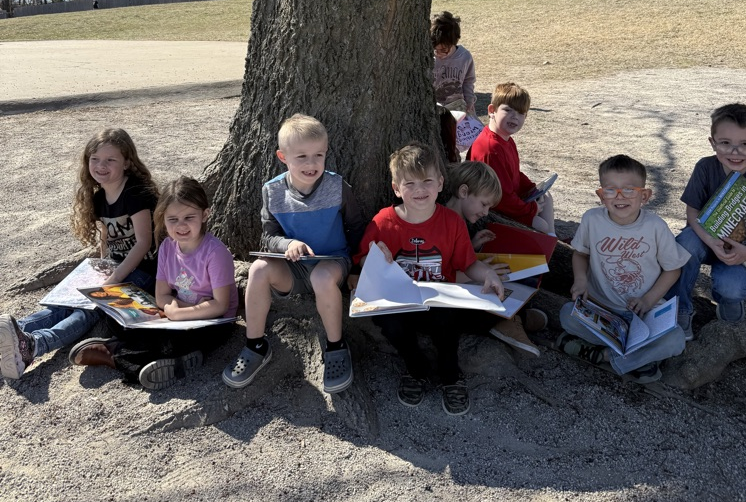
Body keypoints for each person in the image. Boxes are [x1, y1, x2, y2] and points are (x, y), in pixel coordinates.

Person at [354, 142, 505, 416]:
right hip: (398, 301)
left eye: (427, 181)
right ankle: (416, 369)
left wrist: (488, 274)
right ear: (396, 188)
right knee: (390, 323)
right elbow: (362, 260)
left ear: (440, 183)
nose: (419, 189)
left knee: (448, 322)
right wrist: (374, 257)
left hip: (438, 301)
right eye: (409, 183)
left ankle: (451, 375)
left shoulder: (452, 223)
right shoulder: (383, 221)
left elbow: (468, 264)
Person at [0, 128, 159, 381]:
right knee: (66, 302)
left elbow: (143, 242)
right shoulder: (100, 197)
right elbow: (106, 236)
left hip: (144, 272)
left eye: (110, 159)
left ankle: (34, 344)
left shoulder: (136, 193)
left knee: (90, 308)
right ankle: (14, 331)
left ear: (127, 162)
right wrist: (102, 267)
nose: (101, 166)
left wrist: (114, 278)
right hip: (116, 267)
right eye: (95, 159)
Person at [222, 114, 364, 395]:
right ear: (283, 157)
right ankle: (255, 344)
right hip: (294, 265)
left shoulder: (337, 186)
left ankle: (336, 346)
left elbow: (357, 227)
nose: (311, 164)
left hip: (332, 261)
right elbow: (268, 236)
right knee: (258, 269)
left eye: (318, 155)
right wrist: (287, 245)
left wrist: (358, 268)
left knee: (322, 278)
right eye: (302, 157)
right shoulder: (272, 190)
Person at [70, 177, 238, 390]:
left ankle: (115, 356)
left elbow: (220, 306)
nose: (181, 225)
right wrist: (176, 309)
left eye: (189, 217)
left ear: (205, 215)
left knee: (174, 342)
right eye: (172, 219)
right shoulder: (167, 247)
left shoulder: (215, 253)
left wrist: (179, 313)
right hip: (180, 315)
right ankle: (163, 357)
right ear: (162, 218)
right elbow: (162, 296)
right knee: (117, 320)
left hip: (214, 323)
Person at [557, 154, 688, 383]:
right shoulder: (591, 220)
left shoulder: (656, 226)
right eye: (610, 190)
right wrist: (580, 280)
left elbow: (673, 269)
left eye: (629, 190)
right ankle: (640, 360)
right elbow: (580, 254)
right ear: (601, 195)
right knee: (567, 315)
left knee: (676, 339)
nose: (620, 197)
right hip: (602, 308)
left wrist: (647, 300)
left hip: (644, 313)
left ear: (644, 195)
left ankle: (605, 356)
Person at [445, 161, 548, 356]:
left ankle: (516, 317)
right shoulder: (445, 223)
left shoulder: (458, 220)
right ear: (464, 192)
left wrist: (473, 245)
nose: (485, 212)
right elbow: (443, 274)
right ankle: (508, 322)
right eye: (484, 204)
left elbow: (455, 256)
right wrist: (482, 273)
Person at [670, 103, 746, 337]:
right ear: (712, 143)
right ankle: (680, 309)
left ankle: (727, 299)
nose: (735, 152)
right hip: (702, 239)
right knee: (684, 245)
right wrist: (710, 240)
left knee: (733, 287)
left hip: (737, 252)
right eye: (725, 143)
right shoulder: (705, 167)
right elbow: (692, 212)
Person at [467, 81, 555, 234]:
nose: (515, 117)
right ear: (492, 110)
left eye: (521, 113)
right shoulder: (490, 148)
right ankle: (548, 241)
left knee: (545, 197)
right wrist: (530, 209)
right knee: (541, 225)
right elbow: (500, 198)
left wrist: (532, 189)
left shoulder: (507, 140)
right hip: (492, 210)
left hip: (509, 201)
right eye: (508, 110)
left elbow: (515, 174)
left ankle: (553, 238)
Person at [431, 11, 476, 115]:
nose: (438, 54)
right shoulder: (428, 57)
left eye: (443, 50)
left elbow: (468, 81)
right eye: (435, 49)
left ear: (453, 42)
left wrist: (469, 101)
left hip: (458, 109)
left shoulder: (464, 57)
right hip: (435, 110)